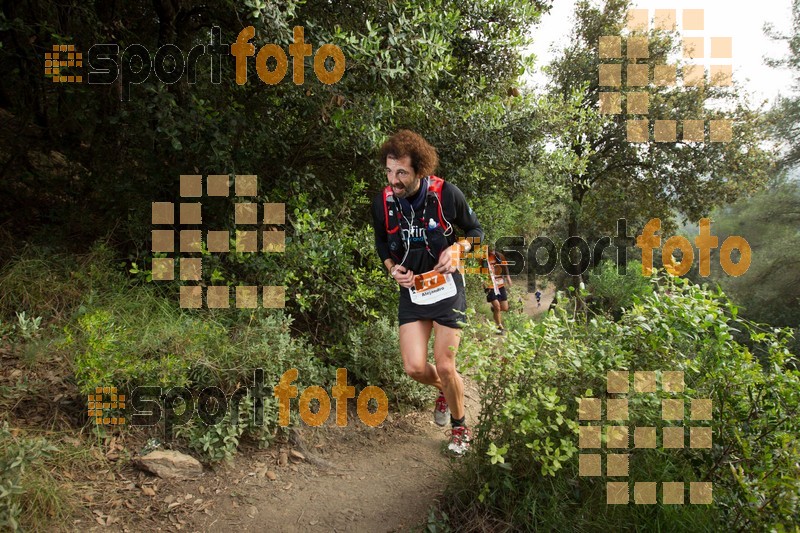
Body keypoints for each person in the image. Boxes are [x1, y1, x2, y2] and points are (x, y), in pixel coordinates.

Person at [371, 130, 483, 455]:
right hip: (414, 290)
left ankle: (460, 428)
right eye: (390, 172)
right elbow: (381, 242)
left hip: (446, 288)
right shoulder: (384, 202)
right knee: (414, 367)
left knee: (446, 366)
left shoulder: (446, 194)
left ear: (419, 170)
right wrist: (392, 268)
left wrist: (460, 249)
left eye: (402, 172)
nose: (395, 179)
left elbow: (476, 231)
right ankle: (445, 391)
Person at [483, 244, 513, 333]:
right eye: (489, 248)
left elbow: (505, 266)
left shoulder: (499, 256)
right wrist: (483, 283)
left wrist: (508, 278)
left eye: (493, 248)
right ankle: (499, 327)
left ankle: (495, 310)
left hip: (500, 285)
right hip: (489, 285)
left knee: (505, 307)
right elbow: (479, 270)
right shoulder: (482, 257)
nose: (491, 250)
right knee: (498, 307)